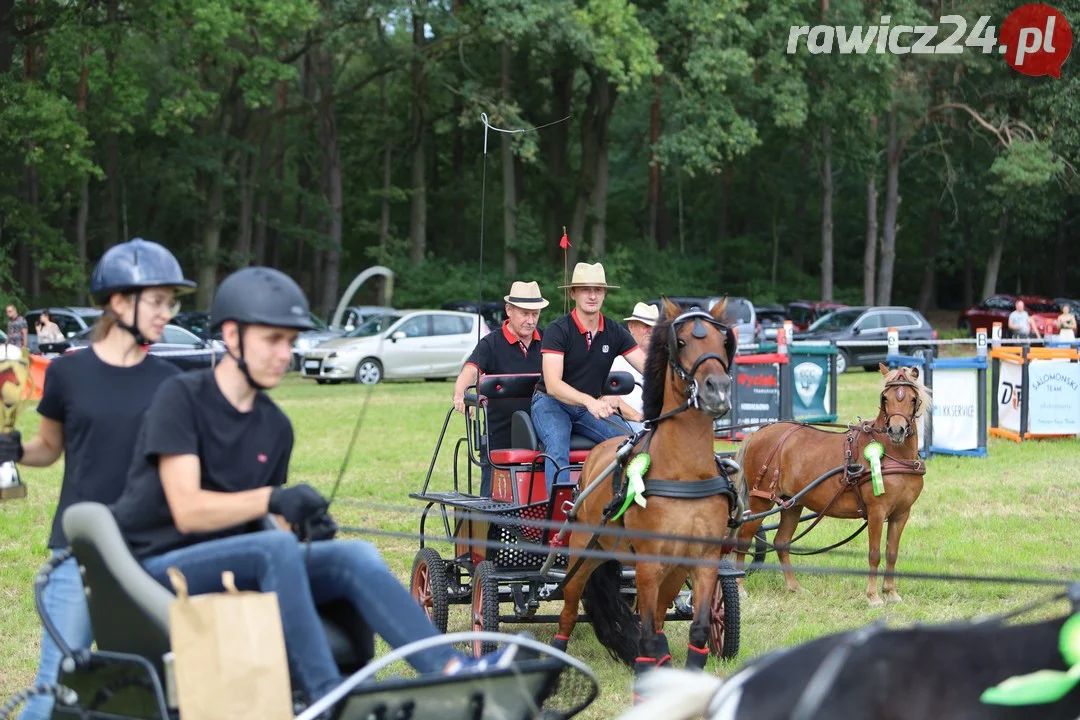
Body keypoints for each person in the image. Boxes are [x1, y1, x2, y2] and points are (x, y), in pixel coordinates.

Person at [109, 266, 523, 708]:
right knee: (277, 550)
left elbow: (259, 529)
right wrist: (273, 503)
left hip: (236, 563)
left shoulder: (274, 427)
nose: (283, 354)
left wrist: (298, 527)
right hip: (154, 571)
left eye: (289, 342)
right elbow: (187, 510)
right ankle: (330, 696)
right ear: (232, 336)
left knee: (353, 554)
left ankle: (450, 670)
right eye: (272, 340)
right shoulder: (182, 398)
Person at [0, 238, 196, 720]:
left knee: (155, 686)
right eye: (156, 300)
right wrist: (15, 451)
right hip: (77, 551)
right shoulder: (68, 373)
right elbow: (50, 448)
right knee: (55, 684)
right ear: (117, 301)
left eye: (171, 301)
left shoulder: (170, 381)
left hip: (150, 552)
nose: (166, 312)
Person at [530, 262, 647, 489]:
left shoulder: (614, 331)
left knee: (629, 445)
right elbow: (553, 385)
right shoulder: (558, 329)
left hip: (589, 407)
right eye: (585, 289)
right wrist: (589, 401)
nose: (592, 295)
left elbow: (649, 366)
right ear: (573, 293)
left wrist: (684, 377)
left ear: (604, 294)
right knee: (557, 446)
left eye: (598, 290)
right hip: (551, 403)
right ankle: (559, 518)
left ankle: (614, 507)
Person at [451, 281, 548, 495]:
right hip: (500, 436)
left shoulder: (549, 341)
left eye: (535, 314)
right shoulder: (491, 344)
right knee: (492, 495)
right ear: (509, 310)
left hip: (544, 434)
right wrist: (461, 393)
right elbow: (471, 370)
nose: (531, 321)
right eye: (525, 314)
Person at [609, 302, 658, 433]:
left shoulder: (664, 363)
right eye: (646, 326)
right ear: (631, 327)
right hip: (627, 424)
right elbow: (609, 398)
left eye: (655, 327)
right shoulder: (616, 361)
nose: (651, 331)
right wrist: (638, 417)